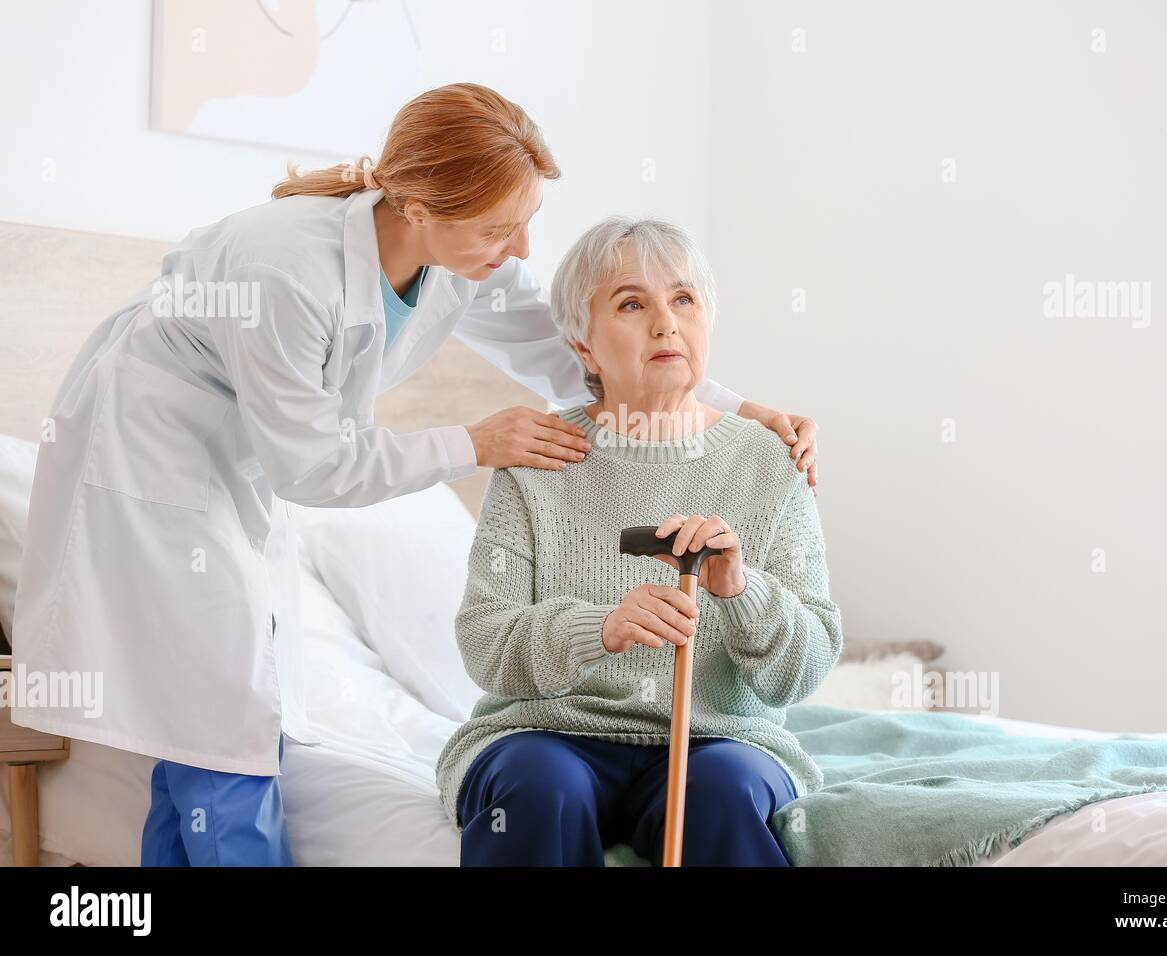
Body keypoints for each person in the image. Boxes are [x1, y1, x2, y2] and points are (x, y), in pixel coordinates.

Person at [9, 84, 819, 866]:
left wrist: (749, 412)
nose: (523, 250)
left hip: (236, 466)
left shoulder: (465, 259)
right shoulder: (283, 268)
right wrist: (475, 441)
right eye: (503, 227)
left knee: (210, 714)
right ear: (422, 208)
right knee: (223, 719)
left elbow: (579, 352)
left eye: (529, 220)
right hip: (148, 457)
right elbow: (314, 465)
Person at [437, 216, 842, 866]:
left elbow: (807, 669)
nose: (666, 323)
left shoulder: (771, 461)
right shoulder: (538, 456)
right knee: (541, 789)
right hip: (547, 735)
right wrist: (599, 630)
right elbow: (486, 642)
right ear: (584, 347)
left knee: (725, 792)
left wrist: (743, 592)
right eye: (632, 303)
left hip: (718, 740)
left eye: (683, 299)